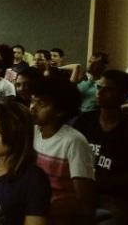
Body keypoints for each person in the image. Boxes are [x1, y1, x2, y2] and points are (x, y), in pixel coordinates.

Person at [74, 70, 128, 224]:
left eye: (107, 90)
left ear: (123, 95)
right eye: (99, 88)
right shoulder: (84, 121)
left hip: (113, 198)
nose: (100, 93)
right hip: (79, 191)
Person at [29, 77, 95, 224]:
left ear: (59, 111)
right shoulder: (33, 132)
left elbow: (84, 201)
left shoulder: (73, 142)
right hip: (34, 206)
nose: (33, 107)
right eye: (32, 101)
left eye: (41, 103)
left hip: (57, 213)